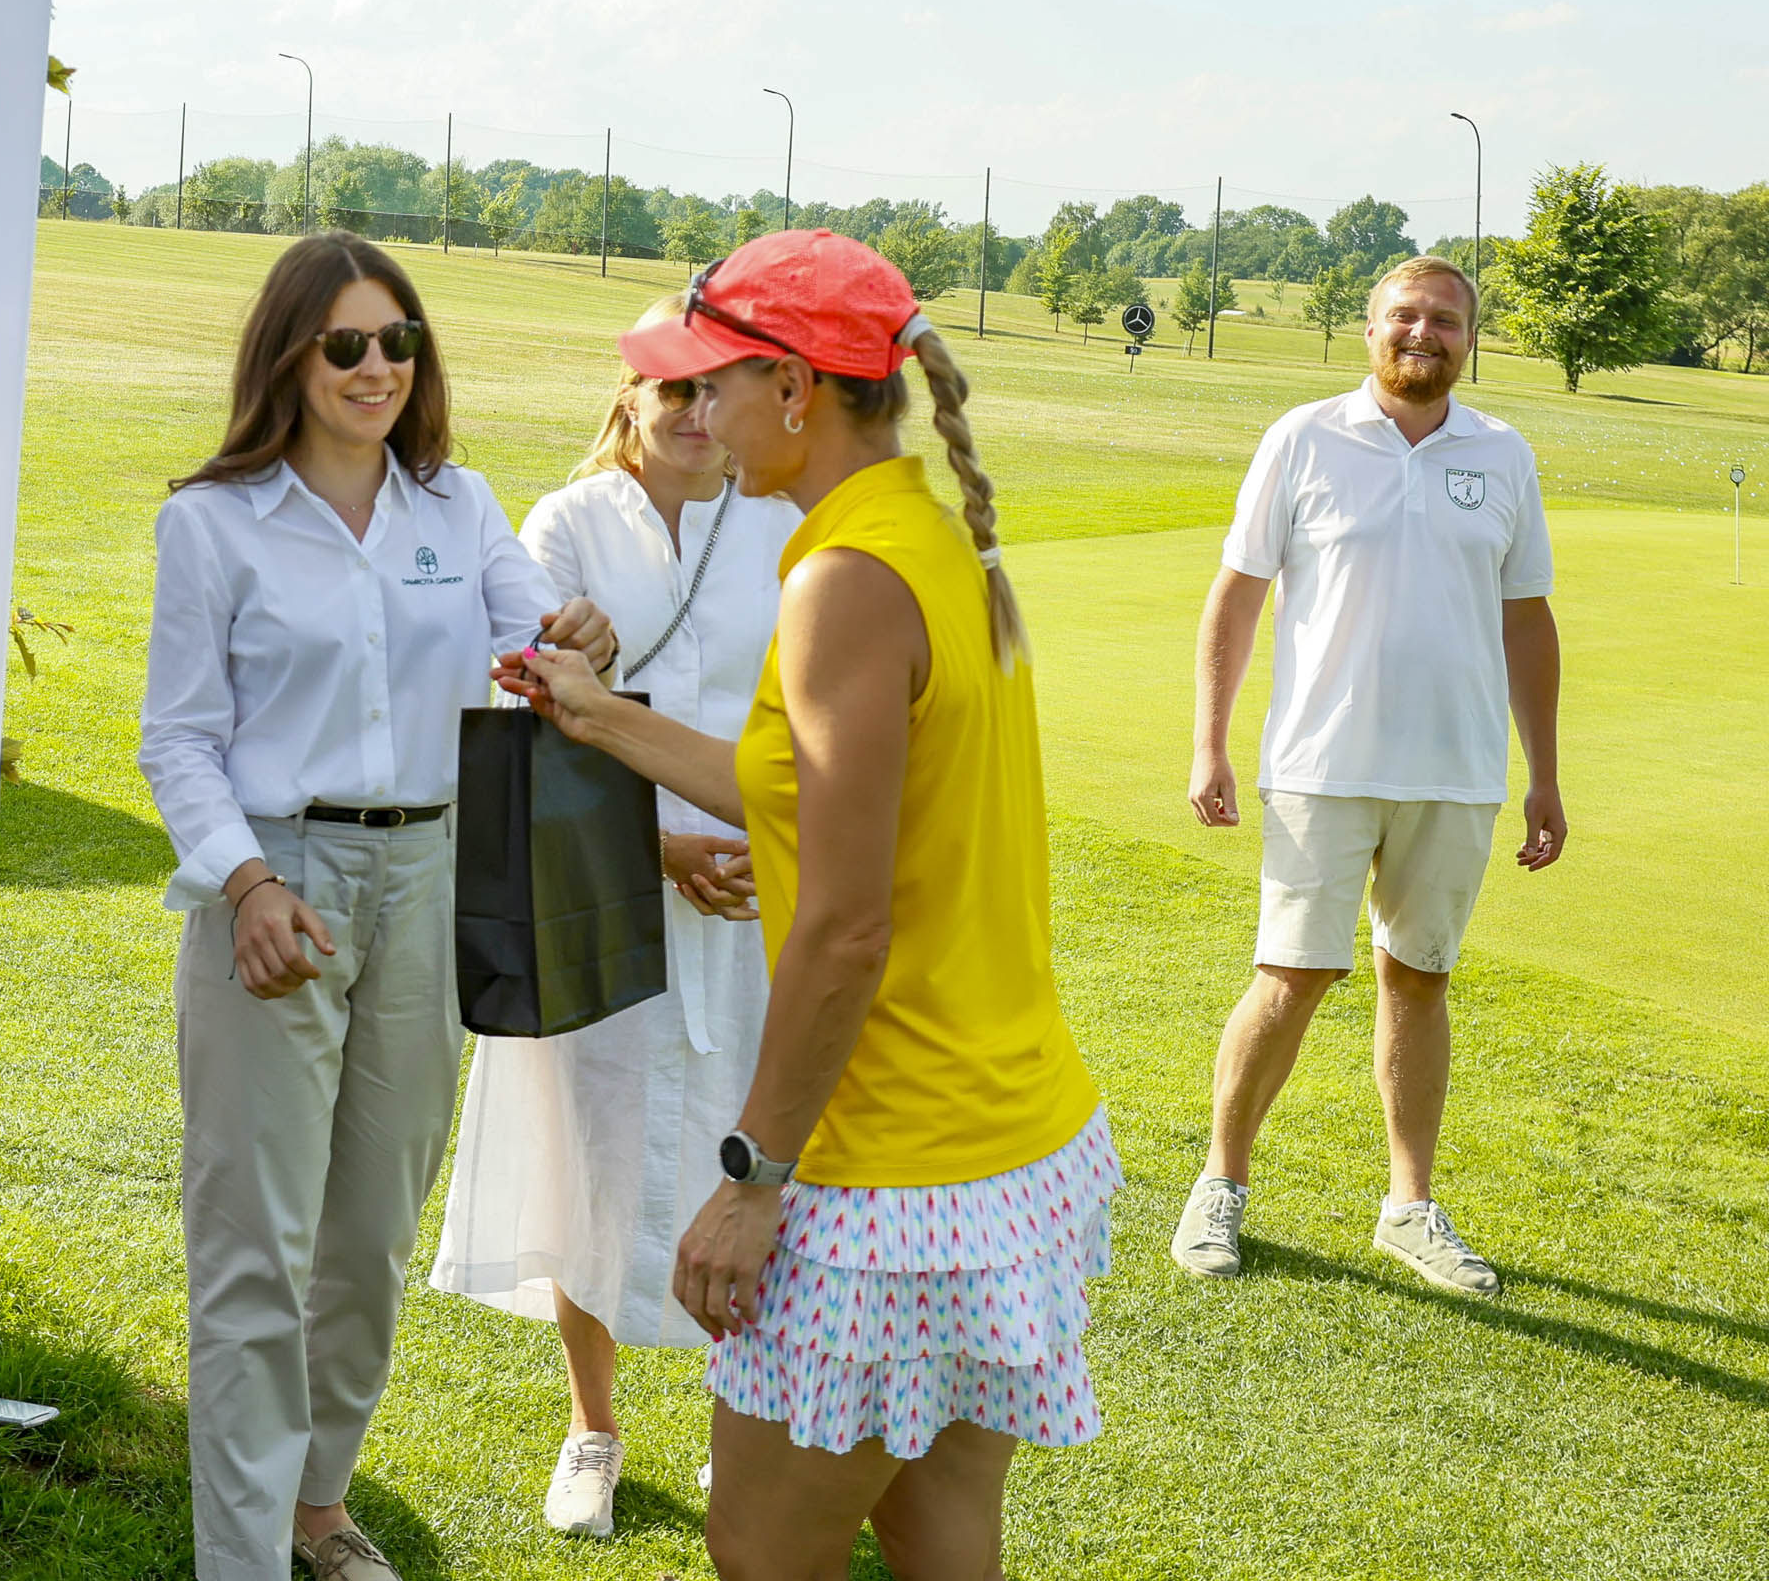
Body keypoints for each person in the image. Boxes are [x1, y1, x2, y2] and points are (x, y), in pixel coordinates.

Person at [512, 231, 1115, 1581]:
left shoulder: (841, 580)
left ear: (793, 391)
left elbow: (845, 924)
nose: (699, 413)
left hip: (885, 1167)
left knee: (762, 1549)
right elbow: (806, 793)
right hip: (1010, 1145)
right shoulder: (918, 536)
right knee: (934, 1522)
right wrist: (607, 724)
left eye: (714, 383)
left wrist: (750, 1182)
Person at [139, 232, 615, 1581]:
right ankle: (238, 1557)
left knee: (368, 1237)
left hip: (428, 878)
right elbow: (178, 740)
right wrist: (248, 883)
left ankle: (317, 1512)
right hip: (275, 880)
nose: (376, 368)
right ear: (289, 354)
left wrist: (578, 638)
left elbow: (537, 633)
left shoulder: (454, 507)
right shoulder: (213, 521)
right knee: (254, 1246)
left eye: (397, 343)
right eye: (346, 343)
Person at [429, 298, 798, 1537]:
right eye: (674, 391)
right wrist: (657, 848)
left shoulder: (789, 519)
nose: (697, 415)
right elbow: (545, 721)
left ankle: (732, 1421)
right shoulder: (567, 523)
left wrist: (749, 845)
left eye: (717, 390)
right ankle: (592, 1424)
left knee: (744, 1147)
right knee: (592, 1147)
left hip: (762, 891)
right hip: (605, 889)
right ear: (628, 397)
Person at [1170, 255, 1563, 1296]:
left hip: (1458, 766)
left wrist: (1545, 772)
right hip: (1323, 762)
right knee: (1293, 973)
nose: (1423, 333)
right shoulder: (1304, 437)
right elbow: (1238, 593)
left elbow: (1527, 615)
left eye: (1444, 319)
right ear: (1369, 329)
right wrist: (1210, 740)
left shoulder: (1504, 452)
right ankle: (1220, 1184)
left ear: (1470, 337)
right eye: (1405, 316)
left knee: (1418, 975)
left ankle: (1409, 1207)